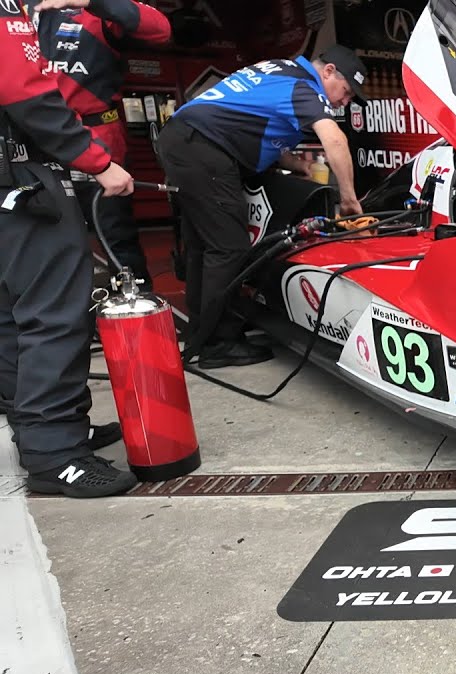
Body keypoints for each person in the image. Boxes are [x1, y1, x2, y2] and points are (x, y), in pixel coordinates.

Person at [155, 46, 367, 369]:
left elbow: (254, 125)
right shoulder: (305, 87)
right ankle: (218, 343)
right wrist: (350, 199)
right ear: (328, 72)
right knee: (229, 248)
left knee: (204, 245)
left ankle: (201, 331)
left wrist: (298, 165)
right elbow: (335, 140)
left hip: (184, 138)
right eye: (346, 92)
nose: (344, 102)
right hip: (204, 147)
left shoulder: (279, 69)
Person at [1, 0, 139, 497]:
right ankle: (57, 455)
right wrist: (97, 162)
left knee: (11, 317)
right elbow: (26, 88)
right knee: (52, 312)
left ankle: (41, 434)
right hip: (19, 176)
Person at [28, 0, 171, 289]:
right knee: (37, 234)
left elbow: (161, 29)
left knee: (115, 232)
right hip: (32, 137)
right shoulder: (13, 12)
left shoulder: (93, 8)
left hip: (96, 132)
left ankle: (137, 308)